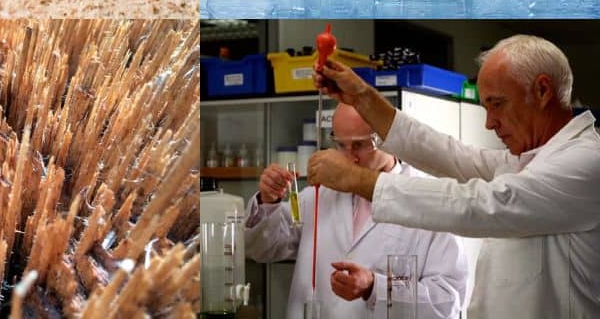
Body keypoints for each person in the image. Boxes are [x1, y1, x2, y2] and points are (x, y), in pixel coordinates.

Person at [309, 34, 600, 318]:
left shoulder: (585, 162)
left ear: (542, 90)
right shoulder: (528, 160)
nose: (489, 123)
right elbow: (451, 154)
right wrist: (362, 96)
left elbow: (480, 205)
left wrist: (356, 179)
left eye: (497, 104)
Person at [244, 103, 468, 319]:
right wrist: (268, 201)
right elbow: (262, 249)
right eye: (341, 145)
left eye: (360, 145)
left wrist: (374, 287)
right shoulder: (319, 193)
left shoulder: (430, 200)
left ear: (389, 139)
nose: (350, 157)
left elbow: (447, 301)